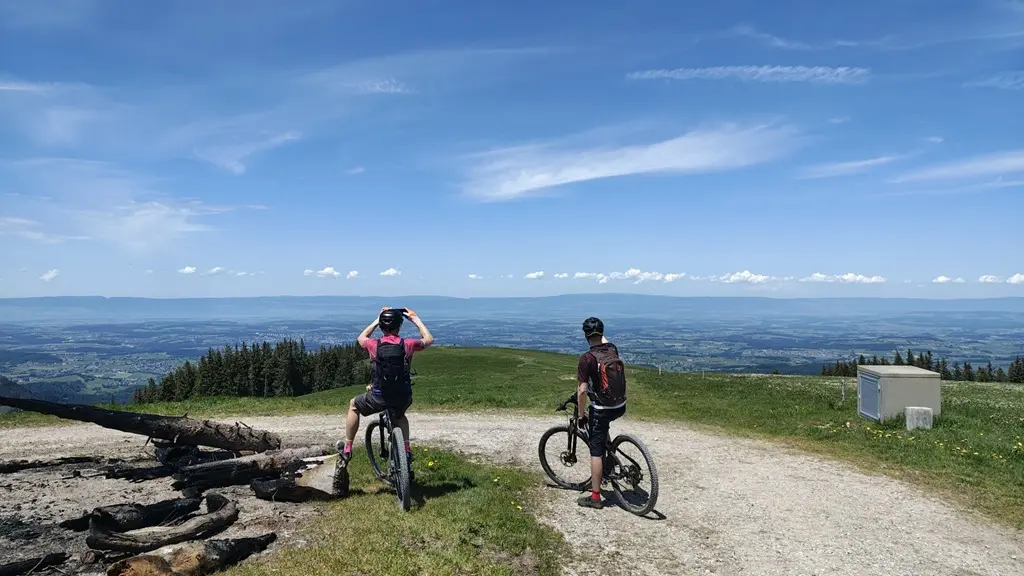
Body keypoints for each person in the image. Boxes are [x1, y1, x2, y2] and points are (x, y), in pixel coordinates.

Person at [338, 306, 434, 476]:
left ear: (382, 326)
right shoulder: (408, 344)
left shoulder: (373, 344)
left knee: (353, 405)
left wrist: (377, 319)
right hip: (403, 396)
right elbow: (429, 339)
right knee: (401, 416)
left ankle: (348, 446)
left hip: (378, 397)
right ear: (399, 326)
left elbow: (361, 338)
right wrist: (415, 319)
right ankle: (406, 449)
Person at [575, 316, 627, 509]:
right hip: (620, 405)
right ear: (603, 333)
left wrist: (581, 416)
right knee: (604, 429)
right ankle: (609, 463)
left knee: (595, 451)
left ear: (585, 335)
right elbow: (604, 343)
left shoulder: (587, 358)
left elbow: (581, 391)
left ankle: (595, 497)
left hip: (602, 408)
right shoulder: (612, 348)